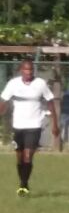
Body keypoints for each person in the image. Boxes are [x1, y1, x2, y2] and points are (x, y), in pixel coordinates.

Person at [0, 60, 59, 197]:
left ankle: (23, 185)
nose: (29, 72)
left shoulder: (40, 84)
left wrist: (55, 124)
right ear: (21, 70)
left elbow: (50, 103)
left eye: (31, 70)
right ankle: (22, 181)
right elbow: (3, 101)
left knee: (28, 156)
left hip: (34, 125)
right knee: (19, 157)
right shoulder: (13, 84)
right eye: (26, 70)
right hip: (18, 125)